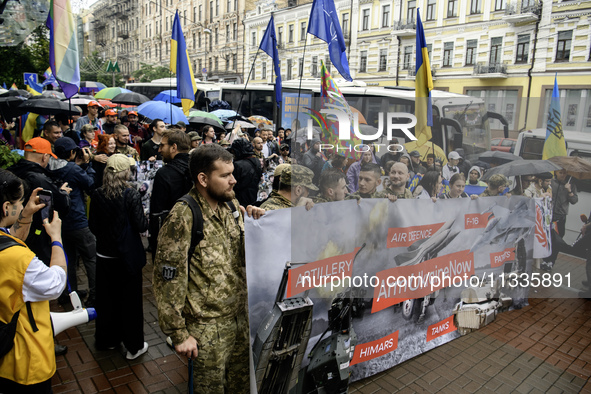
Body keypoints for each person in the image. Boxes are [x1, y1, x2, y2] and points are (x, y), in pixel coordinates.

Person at [153, 144, 264, 393]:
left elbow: (245, 255)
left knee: (241, 386)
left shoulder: (231, 206)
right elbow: (167, 280)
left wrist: (259, 226)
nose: (233, 181)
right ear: (203, 179)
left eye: (232, 173)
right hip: (207, 329)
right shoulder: (184, 216)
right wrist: (179, 334)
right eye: (225, 175)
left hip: (238, 320)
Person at [0, 170, 67, 393]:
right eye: (18, 203)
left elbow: (11, 237)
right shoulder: (17, 258)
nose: (20, 207)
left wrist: (26, 214)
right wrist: (56, 238)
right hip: (22, 354)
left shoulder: (5, 243)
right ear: (6, 208)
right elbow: (55, 283)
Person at [89, 154, 149, 358]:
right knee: (130, 302)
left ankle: (107, 340)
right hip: (127, 256)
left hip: (104, 254)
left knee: (106, 300)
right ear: (125, 172)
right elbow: (141, 225)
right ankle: (134, 346)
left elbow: (93, 226)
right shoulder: (130, 194)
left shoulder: (97, 194)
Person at [51, 137, 97, 307]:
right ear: (71, 152)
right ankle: (95, 295)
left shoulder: (49, 166)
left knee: (68, 259)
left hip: (59, 223)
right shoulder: (72, 169)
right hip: (77, 221)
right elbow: (90, 184)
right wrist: (88, 165)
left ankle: (69, 294)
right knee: (91, 258)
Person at [149, 130, 192, 258]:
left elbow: (157, 212)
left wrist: (155, 245)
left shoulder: (164, 173)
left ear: (174, 147)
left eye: (162, 145)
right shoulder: (197, 167)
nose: (159, 150)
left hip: (171, 235)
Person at [230, 138, 263, 207]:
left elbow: (233, 184)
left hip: (240, 200)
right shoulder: (257, 161)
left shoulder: (237, 165)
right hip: (253, 197)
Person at [550, 169, 578, 237]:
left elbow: (574, 201)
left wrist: (569, 191)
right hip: (549, 213)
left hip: (561, 215)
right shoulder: (551, 182)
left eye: (564, 173)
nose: (562, 175)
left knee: (559, 235)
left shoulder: (571, 185)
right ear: (556, 173)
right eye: (560, 173)